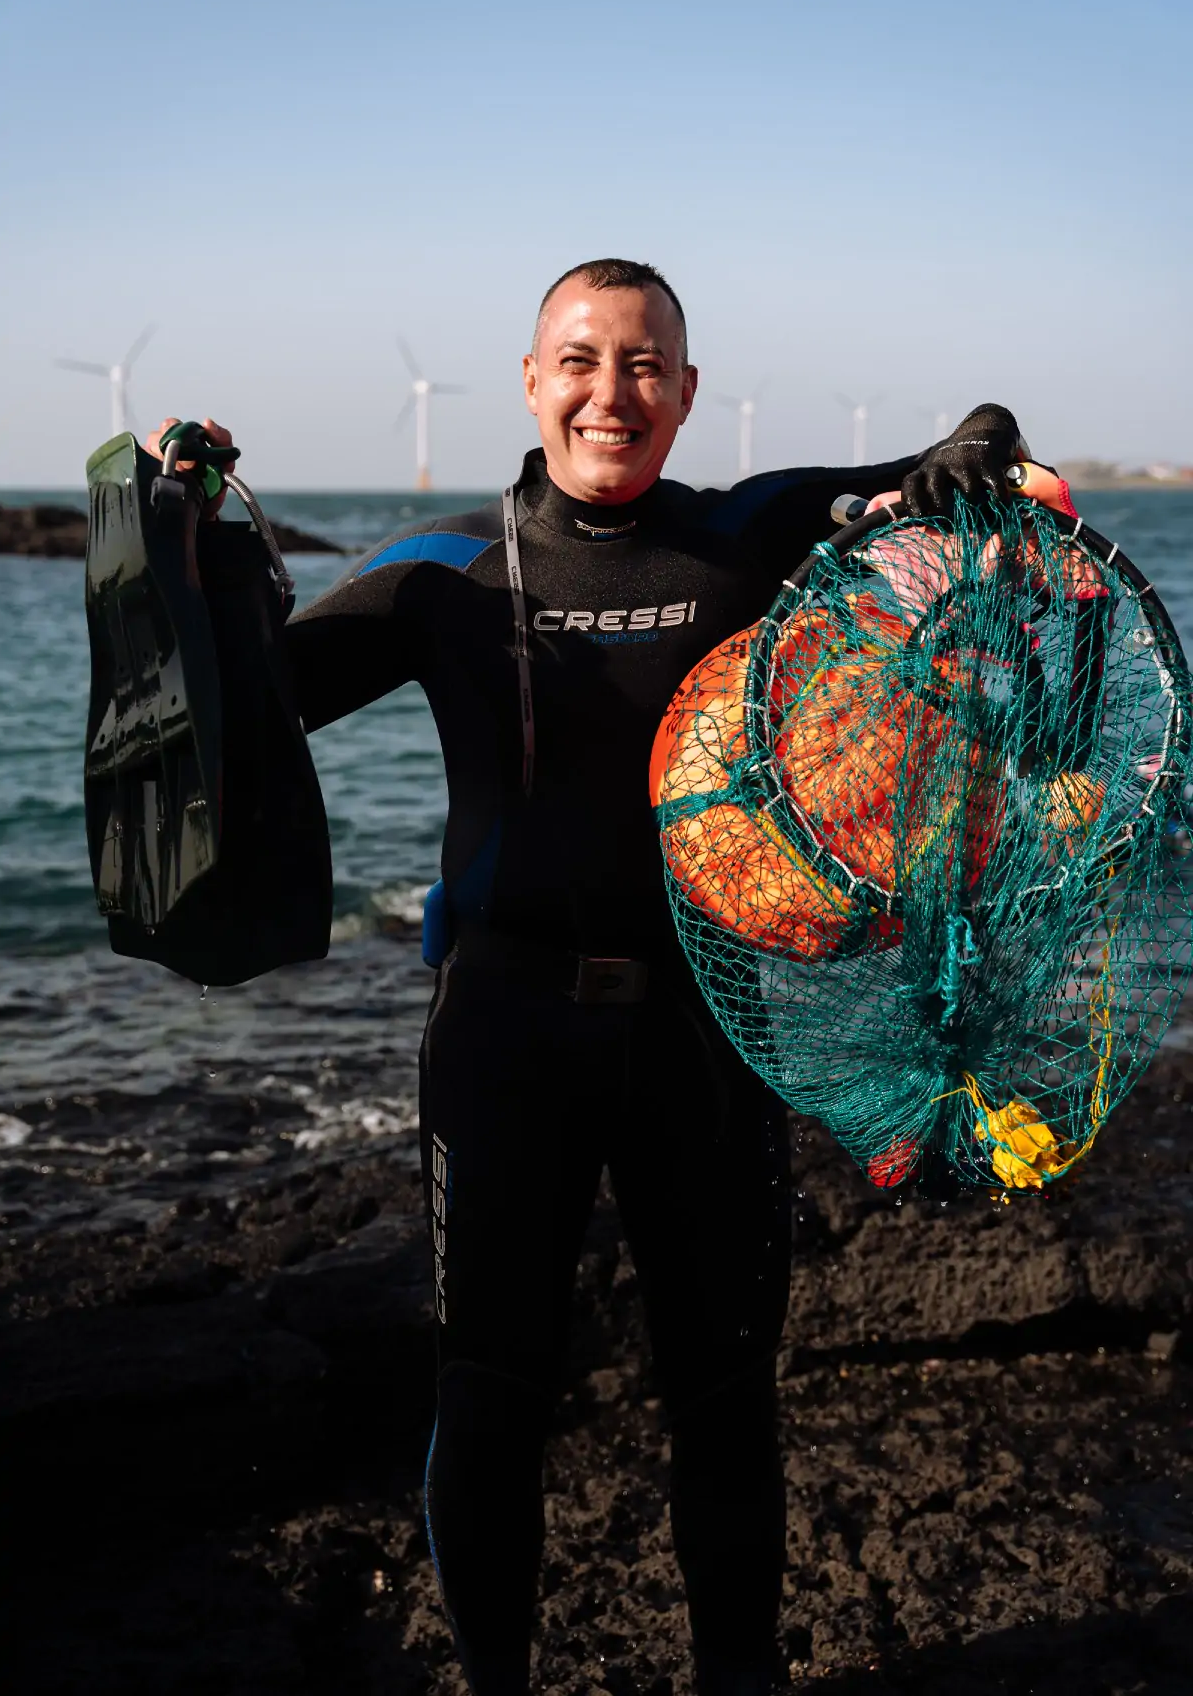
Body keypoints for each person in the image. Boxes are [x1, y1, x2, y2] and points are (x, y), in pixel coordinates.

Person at [146, 259, 1032, 1695]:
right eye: (579, 360)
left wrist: (979, 445)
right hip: (502, 1035)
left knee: (727, 1395)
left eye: (641, 366)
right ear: (529, 380)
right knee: (490, 1392)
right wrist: (190, 554)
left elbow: (933, 473)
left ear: (687, 394)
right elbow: (252, 706)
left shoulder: (746, 533)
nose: (608, 392)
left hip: (705, 1034)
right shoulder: (447, 567)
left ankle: (737, 1676)